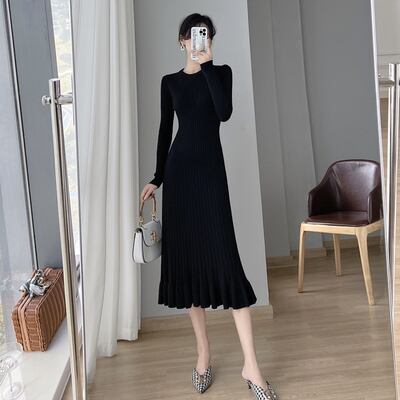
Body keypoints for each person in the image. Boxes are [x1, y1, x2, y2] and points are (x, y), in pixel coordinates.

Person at [140, 13, 278, 400]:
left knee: (226, 260)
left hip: (211, 176)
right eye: (193, 36)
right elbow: (165, 131)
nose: (199, 41)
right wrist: (157, 177)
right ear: (181, 40)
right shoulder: (169, 83)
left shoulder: (221, 74)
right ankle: (203, 353)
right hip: (180, 176)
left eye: (206, 36)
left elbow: (224, 113)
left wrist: (208, 66)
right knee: (187, 264)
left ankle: (251, 366)